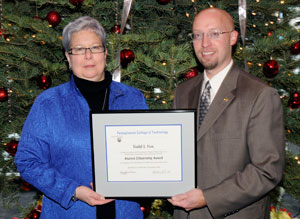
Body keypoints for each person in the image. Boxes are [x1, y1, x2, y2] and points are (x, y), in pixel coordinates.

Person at [14, 16, 147, 219]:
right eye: (78, 49)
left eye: (94, 47)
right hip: (69, 213)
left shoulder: (132, 98)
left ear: (105, 53)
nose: (88, 56)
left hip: (125, 212)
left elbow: (149, 152)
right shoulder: (48, 103)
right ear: (68, 57)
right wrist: (73, 190)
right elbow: (27, 161)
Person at [168, 8, 285, 219]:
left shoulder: (260, 95)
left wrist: (209, 197)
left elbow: (267, 171)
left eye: (214, 34)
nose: (204, 43)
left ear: (232, 37)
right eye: (197, 35)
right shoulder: (183, 92)